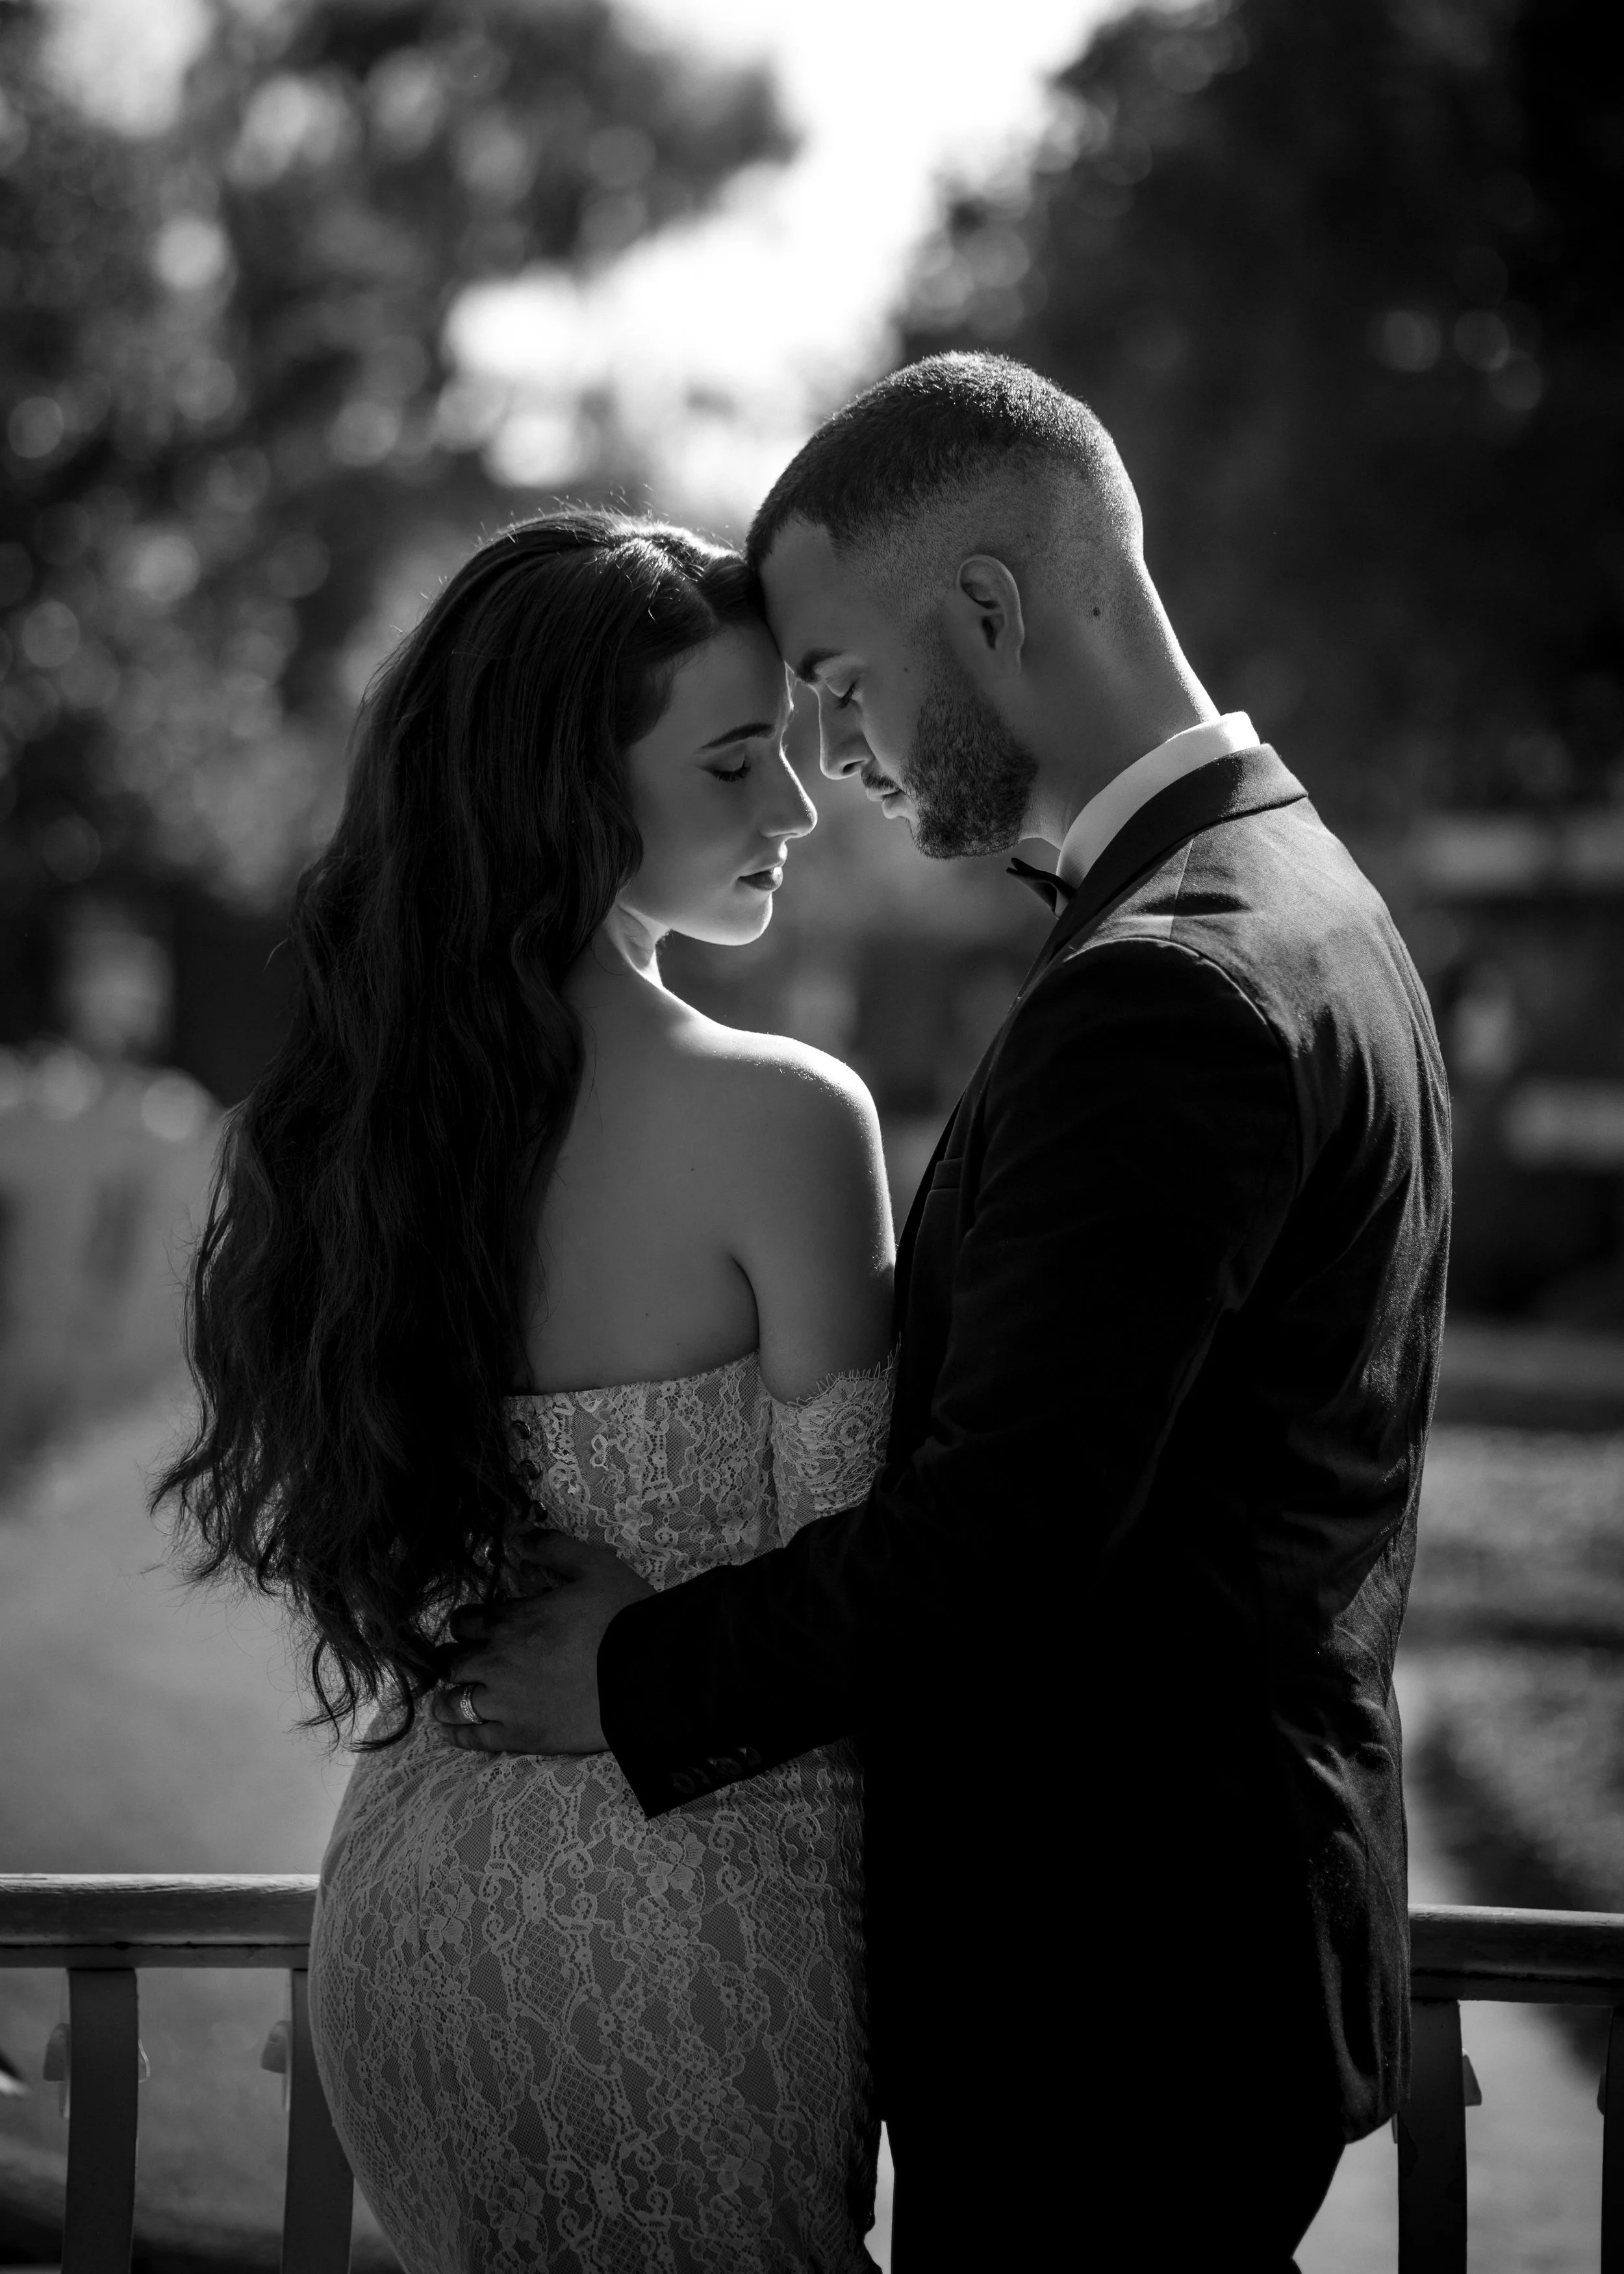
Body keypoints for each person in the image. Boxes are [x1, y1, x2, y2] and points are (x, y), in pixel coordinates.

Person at [442, 355, 1453, 2269]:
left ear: (985, 610)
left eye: (832, 682)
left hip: (1111, 2011)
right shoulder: (1311, 905)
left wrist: (632, 1679)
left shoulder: (1172, 990)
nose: (832, 753)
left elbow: (999, 1538)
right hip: (1206, 1980)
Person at [157, 512, 900, 2271]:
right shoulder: (786, 1118)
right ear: (561, 792)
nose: (794, 808)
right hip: (690, 1930)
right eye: (736, 758)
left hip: (404, 1927)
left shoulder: (344, 1138)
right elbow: (874, 1587)